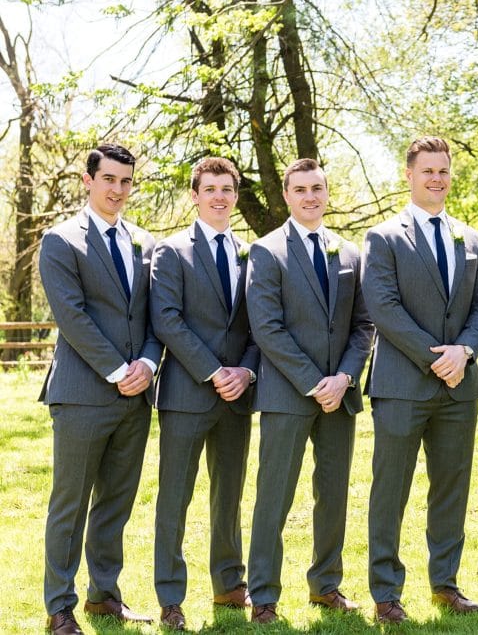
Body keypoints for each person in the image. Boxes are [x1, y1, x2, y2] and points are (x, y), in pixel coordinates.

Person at [361, 136, 478, 624]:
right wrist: (434, 357)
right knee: (390, 490)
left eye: (443, 171)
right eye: (427, 171)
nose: (436, 179)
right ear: (409, 176)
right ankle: (386, 592)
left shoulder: (470, 237)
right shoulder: (384, 237)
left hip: (460, 385)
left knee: (451, 487)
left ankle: (446, 584)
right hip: (402, 383)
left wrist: (466, 351)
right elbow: (383, 307)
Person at [39, 143, 162, 634]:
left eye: (126, 181)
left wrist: (150, 363)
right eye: (109, 179)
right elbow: (73, 317)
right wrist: (118, 370)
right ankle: (59, 607)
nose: (118, 189)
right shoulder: (61, 240)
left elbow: (158, 316)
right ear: (88, 181)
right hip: (83, 393)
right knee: (70, 502)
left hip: (137, 395)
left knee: (116, 502)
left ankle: (103, 596)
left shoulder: (145, 243)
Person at [245, 158, 373, 625]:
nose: (310, 197)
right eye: (300, 189)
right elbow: (267, 328)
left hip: (341, 394)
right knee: (274, 495)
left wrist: (343, 378)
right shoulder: (266, 252)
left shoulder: (349, 253)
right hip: (287, 392)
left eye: (317, 187)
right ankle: (263, 596)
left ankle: (327, 585)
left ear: (327, 192)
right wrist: (313, 382)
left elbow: (363, 325)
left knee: (333, 492)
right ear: (286, 196)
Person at [149, 157, 259, 630]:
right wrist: (214, 371)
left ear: (235, 195)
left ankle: (229, 583)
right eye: (210, 188)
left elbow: (260, 325)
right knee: (175, 497)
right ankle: (171, 597)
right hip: (187, 393)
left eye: (227, 189)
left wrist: (247, 374)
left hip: (237, 395)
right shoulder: (171, 252)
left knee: (229, 494)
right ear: (194, 195)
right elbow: (167, 319)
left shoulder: (252, 253)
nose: (219, 196)